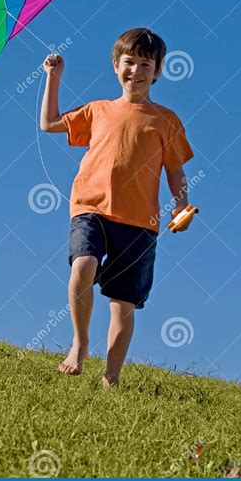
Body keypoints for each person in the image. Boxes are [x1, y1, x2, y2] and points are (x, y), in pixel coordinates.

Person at [40, 27, 194, 387]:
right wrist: (53, 77)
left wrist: (182, 206)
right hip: (90, 207)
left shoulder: (165, 119)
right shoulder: (98, 110)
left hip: (140, 221)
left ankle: (112, 377)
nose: (136, 71)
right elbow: (49, 124)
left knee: (122, 303)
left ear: (157, 71)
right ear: (115, 65)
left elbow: (175, 169)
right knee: (83, 266)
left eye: (145, 64)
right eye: (129, 62)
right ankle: (79, 344)